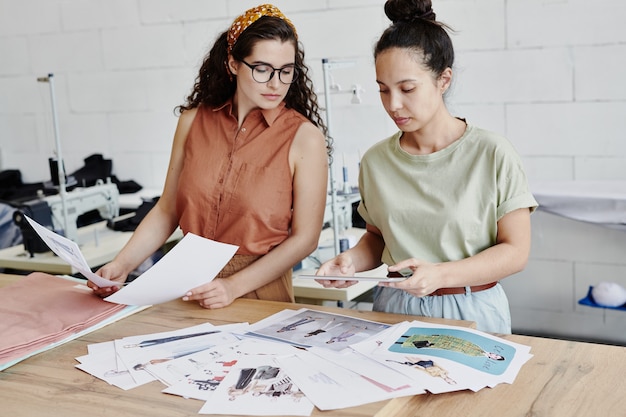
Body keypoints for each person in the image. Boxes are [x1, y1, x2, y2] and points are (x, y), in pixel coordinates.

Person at [315, 0, 537, 334]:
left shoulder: (491, 153)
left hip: (471, 309)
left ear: (443, 79)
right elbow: (376, 240)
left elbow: (516, 251)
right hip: (393, 308)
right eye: (383, 90)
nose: (393, 104)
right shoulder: (376, 162)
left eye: (407, 89)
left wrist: (440, 275)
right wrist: (349, 262)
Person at [89, 4, 329, 309]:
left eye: (286, 71)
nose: (275, 84)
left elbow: (305, 239)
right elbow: (167, 210)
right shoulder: (192, 122)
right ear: (233, 64)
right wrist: (121, 265)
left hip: (257, 290)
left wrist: (232, 286)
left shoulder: (304, 138)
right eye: (262, 69)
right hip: (186, 282)